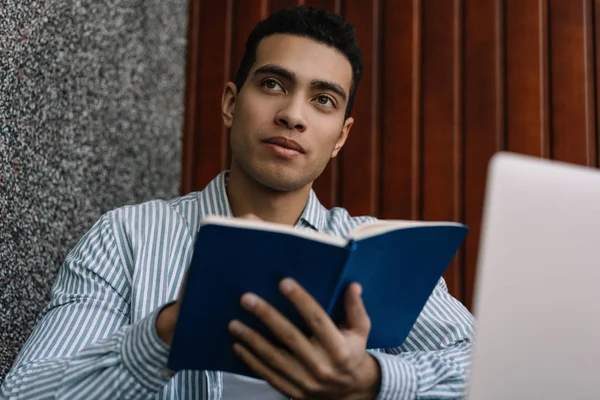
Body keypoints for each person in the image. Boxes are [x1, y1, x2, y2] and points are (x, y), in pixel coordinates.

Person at [1, 6, 475, 400]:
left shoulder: (382, 252)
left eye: (324, 100)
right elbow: (24, 393)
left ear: (340, 139)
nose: (292, 114)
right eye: (273, 84)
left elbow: (496, 371)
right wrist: (163, 333)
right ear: (231, 103)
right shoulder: (128, 237)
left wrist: (374, 379)